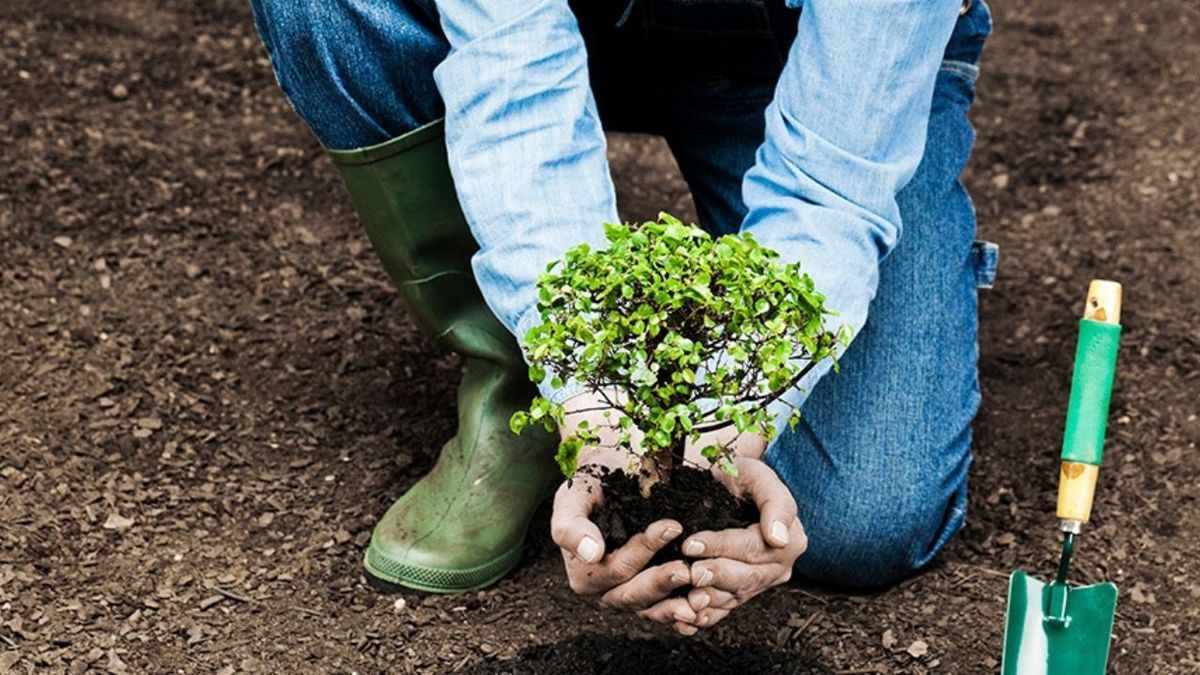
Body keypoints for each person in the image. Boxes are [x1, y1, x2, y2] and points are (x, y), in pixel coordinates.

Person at [250, 0, 997, 633]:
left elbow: (829, 184)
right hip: (573, 26)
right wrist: (588, 392)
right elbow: (515, 78)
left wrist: (737, 406)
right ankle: (518, 383)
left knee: (859, 519)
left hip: (800, 63)